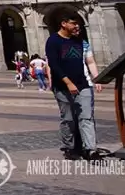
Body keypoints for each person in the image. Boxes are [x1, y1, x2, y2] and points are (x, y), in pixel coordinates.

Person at [45, 16, 102, 161]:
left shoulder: (80, 41)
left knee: (86, 117)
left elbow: (90, 62)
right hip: (62, 86)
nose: (77, 26)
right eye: (74, 23)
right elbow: (54, 65)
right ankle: (70, 147)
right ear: (63, 24)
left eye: (78, 24)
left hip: (83, 85)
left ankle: (91, 149)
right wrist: (68, 83)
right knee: (68, 118)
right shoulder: (53, 41)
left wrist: (97, 79)